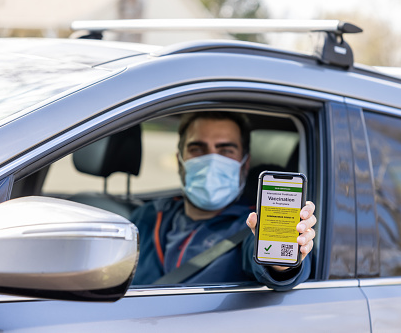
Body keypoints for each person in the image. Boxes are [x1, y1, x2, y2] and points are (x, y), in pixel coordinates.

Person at [131, 111, 316, 290]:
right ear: (180, 160)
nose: (212, 160)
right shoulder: (148, 216)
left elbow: (278, 273)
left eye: (226, 150)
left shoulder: (252, 226)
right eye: (197, 149)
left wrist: (283, 259)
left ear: (245, 163)